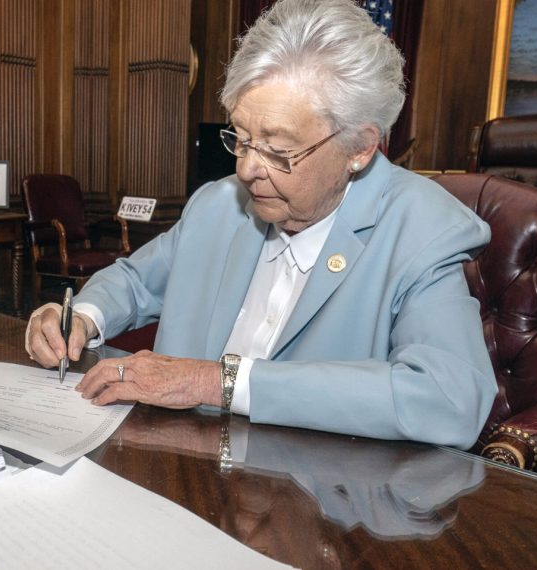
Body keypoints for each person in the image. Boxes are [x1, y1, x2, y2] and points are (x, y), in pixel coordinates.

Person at [25, 0, 496, 449]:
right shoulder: (219, 204)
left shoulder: (423, 230)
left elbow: (450, 398)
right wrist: (81, 318)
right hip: (180, 464)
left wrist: (217, 381)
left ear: (359, 148)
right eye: (242, 138)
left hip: (313, 492)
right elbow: (135, 281)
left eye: (277, 149)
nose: (248, 169)